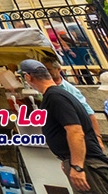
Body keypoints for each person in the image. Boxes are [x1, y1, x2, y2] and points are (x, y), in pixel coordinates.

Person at [19, 59, 108, 192]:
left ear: (28, 77)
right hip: (81, 161)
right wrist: (67, 158)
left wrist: (77, 166)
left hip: (88, 164)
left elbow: (75, 131)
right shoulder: (57, 94)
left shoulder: (55, 97)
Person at [43, 57, 104, 146]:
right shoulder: (40, 88)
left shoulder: (70, 89)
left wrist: (98, 138)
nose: (46, 73)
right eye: (44, 70)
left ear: (59, 69)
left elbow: (89, 113)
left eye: (49, 69)